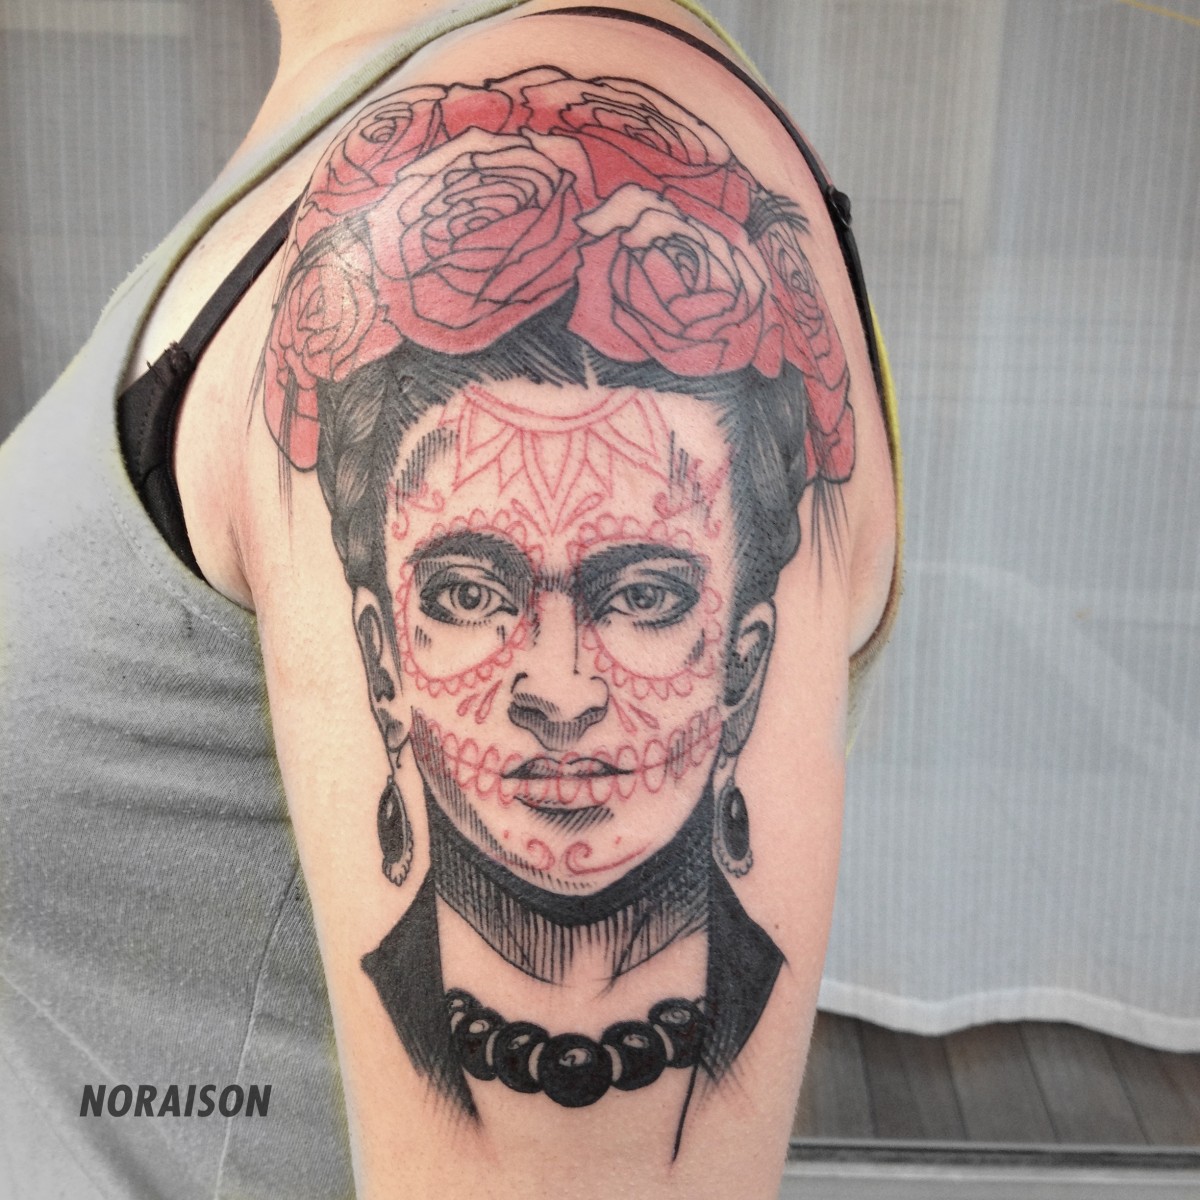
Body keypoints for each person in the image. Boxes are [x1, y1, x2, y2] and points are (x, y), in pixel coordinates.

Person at [0, 2, 900, 1197]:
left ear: (742, 662)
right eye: (473, 591)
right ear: (382, 659)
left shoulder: (465, 139)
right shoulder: (355, 101)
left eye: (642, 594)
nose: (560, 693)